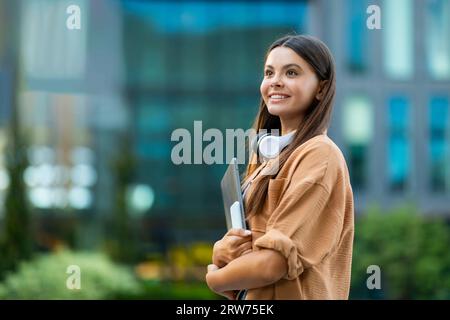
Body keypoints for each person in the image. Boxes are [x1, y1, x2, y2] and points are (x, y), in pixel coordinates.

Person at [205, 34, 354, 300]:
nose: (275, 81)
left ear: (321, 88)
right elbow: (251, 249)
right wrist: (222, 250)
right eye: (269, 72)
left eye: (292, 72)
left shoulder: (319, 154)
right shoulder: (266, 157)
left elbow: (273, 263)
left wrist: (215, 277)